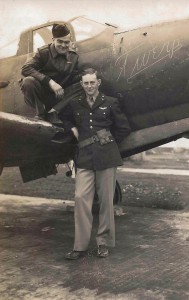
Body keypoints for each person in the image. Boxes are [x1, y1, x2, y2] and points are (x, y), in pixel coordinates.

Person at [61, 68, 131, 260]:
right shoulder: (75, 103)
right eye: (86, 83)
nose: (90, 86)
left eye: (93, 82)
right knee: (81, 198)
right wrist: (73, 129)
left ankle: (103, 244)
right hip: (84, 157)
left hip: (107, 158)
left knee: (106, 202)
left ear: (98, 82)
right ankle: (80, 246)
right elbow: (64, 117)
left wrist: (107, 141)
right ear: (82, 85)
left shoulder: (110, 102)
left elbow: (124, 127)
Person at [20, 23, 81, 125]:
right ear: (53, 40)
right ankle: (41, 113)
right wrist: (50, 82)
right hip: (42, 95)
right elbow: (25, 68)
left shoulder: (73, 56)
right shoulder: (43, 52)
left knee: (85, 82)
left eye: (66, 42)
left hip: (59, 97)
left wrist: (87, 74)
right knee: (28, 81)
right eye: (60, 41)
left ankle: (54, 112)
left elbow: (74, 77)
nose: (63, 45)